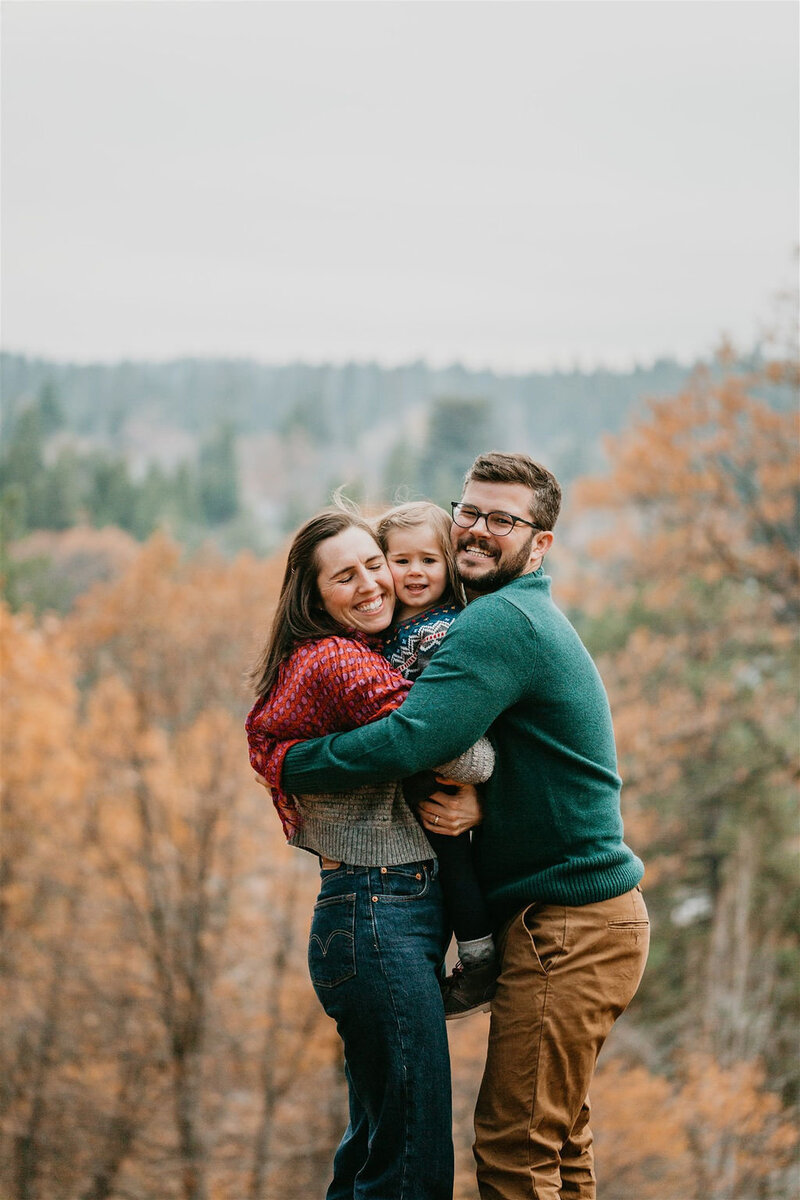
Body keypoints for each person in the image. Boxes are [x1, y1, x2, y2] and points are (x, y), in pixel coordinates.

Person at [257, 453, 650, 1200]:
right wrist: (486, 806)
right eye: (470, 511)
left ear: (540, 544)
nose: (477, 529)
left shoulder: (497, 622)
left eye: (503, 519)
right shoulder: (501, 617)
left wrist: (295, 762)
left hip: (569, 925)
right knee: (553, 1144)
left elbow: (417, 741)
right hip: (576, 921)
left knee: (512, 1147)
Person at [244, 507, 492, 1200]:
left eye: (373, 564)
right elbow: (467, 755)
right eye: (344, 576)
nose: (373, 584)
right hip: (378, 911)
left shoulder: (354, 653)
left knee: (378, 1150)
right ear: (313, 596)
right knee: (411, 1161)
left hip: (376, 913)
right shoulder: (342, 662)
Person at [375, 500, 497, 1018]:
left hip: (439, 760)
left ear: (448, 566)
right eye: (401, 561)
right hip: (408, 774)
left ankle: (480, 960)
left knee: (452, 859)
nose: (415, 572)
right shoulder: (385, 627)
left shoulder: (444, 627)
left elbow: (441, 712)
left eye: (428, 560)